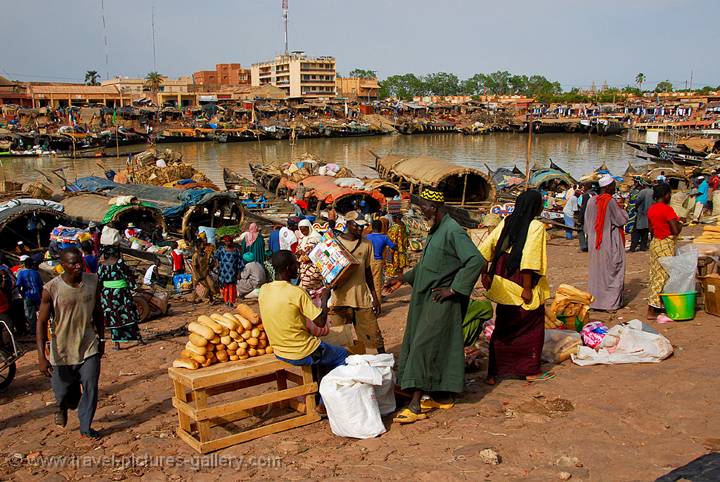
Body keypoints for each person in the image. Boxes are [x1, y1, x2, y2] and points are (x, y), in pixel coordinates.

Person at [387, 189, 484, 424]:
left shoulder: (452, 231)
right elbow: (428, 265)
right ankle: (443, 395)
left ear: (436, 208)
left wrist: (455, 289)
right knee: (438, 345)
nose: (422, 212)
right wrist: (403, 278)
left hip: (441, 300)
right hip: (426, 298)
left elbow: (476, 260)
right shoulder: (436, 230)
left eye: (425, 208)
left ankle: (415, 404)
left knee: (423, 346)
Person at [258, 251, 347, 416]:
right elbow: (320, 321)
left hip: (279, 350)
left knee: (322, 358)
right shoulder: (296, 293)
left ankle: (318, 394)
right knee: (343, 356)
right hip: (301, 351)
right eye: (295, 265)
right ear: (287, 268)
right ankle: (324, 404)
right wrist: (325, 299)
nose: (298, 268)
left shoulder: (264, 290)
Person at [480, 190, 552, 385]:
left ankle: (494, 372)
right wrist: (527, 288)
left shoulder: (507, 221)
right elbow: (529, 258)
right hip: (522, 279)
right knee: (531, 324)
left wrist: (484, 275)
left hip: (504, 279)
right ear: (535, 207)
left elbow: (485, 248)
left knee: (504, 323)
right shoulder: (536, 226)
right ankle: (529, 370)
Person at [36, 248, 104, 439]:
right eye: (73, 263)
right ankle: (62, 406)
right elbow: (41, 322)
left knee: (90, 386)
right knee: (65, 393)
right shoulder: (51, 289)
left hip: (88, 344)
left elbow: (98, 310)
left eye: (79, 262)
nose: (78, 266)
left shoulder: (92, 281)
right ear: (63, 265)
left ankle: (85, 426)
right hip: (62, 349)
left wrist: (102, 338)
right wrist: (42, 356)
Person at [329, 211, 385, 353]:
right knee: (338, 342)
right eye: (357, 226)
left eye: (362, 226)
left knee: (374, 340)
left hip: (362, 300)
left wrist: (375, 297)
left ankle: (382, 366)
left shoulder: (366, 244)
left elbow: (367, 272)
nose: (360, 229)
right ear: (348, 224)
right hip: (340, 301)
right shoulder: (335, 244)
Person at [585, 175, 629, 311]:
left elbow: (587, 223)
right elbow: (621, 220)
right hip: (609, 241)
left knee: (597, 272)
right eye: (613, 185)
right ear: (608, 186)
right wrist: (622, 209)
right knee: (612, 271)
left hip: (594, 242)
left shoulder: (591, 201)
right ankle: (609, 303)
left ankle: (595, 302)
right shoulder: (610, 202)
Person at [647, 183, 682, 320]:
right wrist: (680, 223)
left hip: (655, 243)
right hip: (665, 244)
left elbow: (651, 229)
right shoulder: (667, 210)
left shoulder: (651, 209)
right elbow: (675, 230)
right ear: (666, 195)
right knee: (664, 276)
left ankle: (657, 305)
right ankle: (652, 308)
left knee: (655, 274)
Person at [98, 246, 143, 350]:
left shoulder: (101, 265)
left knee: (113, 317)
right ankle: (138, 338)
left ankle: (117, 344)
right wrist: (134, 287)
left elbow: (99, 280)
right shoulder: (120, 263)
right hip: (122, 294)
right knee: (129, 314)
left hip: (108, 296)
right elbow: (128, 276)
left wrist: (99, 293)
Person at [366, 220, 396, 308]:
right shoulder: (384, 237)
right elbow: (393, 246)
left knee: (367, 282)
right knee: (377, 283)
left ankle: (367, 305)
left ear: (372, 226)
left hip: (367, 261)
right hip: (378, 261)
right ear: (380, 227)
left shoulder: (367, 237)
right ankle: (377, 305)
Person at [297, 219, 324, 300]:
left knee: (307, 287)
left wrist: (302, 254)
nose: (303, 232)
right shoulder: (303, 238)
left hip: (313, 267)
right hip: (304, 268)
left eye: (305, 230)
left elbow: (307, 256)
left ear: (309, 227)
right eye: (301, 230)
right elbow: (299, 251)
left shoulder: (315, 238)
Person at [16, 258, 43, 335]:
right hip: (37, 295)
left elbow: (18, 285)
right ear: (32, 265)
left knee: (30, 315)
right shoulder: (36, 273)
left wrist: (21, 293)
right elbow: (41, 285)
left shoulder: (21, 273)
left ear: (24, 264)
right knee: (40, 313)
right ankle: (42, 329)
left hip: (28, 296)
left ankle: (33, 331)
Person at [214, 235, 242, 306]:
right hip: (224, 272)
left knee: (232, 287)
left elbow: (240, 262)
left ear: (232, 242)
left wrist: (239, 273)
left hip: (233, 272)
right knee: (225, 286)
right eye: (226, 241)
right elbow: (216, 256)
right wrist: (217, 264)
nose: (228, 243)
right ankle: (226, 301)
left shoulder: (236, 250)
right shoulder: (221, 249)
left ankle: (232, 301)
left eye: (229, 241)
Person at [629, 182, 654, 252]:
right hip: (649, 214)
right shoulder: (653, 192)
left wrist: (636, 209)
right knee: (645, 231)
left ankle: (633, 247)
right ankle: (643, 247)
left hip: (641, 213)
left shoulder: (642, 192)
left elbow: (637, 201)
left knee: (636, 231)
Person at [192, 239, 216, 304]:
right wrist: (198, 276)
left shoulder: (205, 253)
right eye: (202, 244)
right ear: (198, 246)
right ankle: (205, 299)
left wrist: (211, 265)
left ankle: (210, 299)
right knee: (201, 288)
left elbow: (208, 262)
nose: (203, 245)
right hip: (198, 274)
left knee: (211, 285)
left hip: (205, 273)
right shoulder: (195, 255)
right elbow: (195, 267)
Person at [385, 213, 409, 278]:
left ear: (396, 218)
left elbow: (391, 238)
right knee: (400, 264)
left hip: (395, 248)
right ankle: (399, 277)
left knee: (393, 263)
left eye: (393, 218)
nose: (392, 219)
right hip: (402, 248)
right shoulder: (403, 225)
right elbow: (406, 235)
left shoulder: (395, 227)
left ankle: (392, 277)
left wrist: (390, 247)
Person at [577, 182, 595, 252]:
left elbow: (583, 208)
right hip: (594, 215)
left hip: (586, 215)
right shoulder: (595, 194)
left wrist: (580, 219)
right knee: (590, 231)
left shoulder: (585, 196)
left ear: (586, 187)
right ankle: (589, 245)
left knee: (580, 229)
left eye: (584, 187)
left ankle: (584, 246)